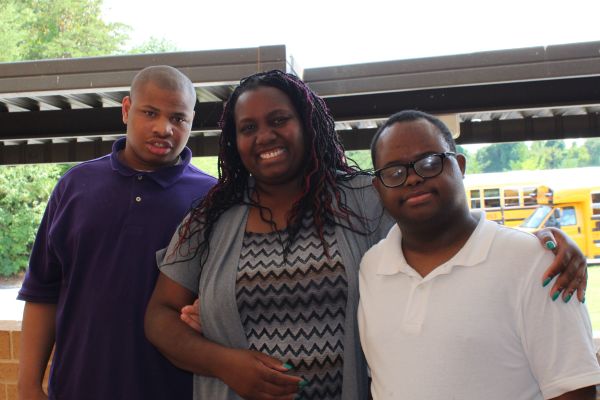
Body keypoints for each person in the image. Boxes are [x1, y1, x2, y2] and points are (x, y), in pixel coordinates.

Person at [144, 70, 588, 400]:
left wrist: (540, 241)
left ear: (307, 123)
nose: (265, 136)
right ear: (233, 141)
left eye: (279, 120)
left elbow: (443, 226)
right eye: (248, 128)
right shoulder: (210, 218)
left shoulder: (364, 197)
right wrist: (226, 363)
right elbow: (160, 317)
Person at [358, 110, 600, 399]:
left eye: (429, 162)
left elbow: (574, 389)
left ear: (460, 166)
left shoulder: (532, 262)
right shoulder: (372, 268)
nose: (412, 179)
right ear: (378, 188)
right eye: (394, 172)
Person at [17, 65, 216, 400]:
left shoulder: (212, 199)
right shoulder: (74, 186)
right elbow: (42, 293)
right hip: (76, 389)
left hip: (174, 390)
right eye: (150, 112)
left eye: (178, 118)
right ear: (126, 109)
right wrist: (27, 387)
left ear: (192, 121)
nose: (163, 128)